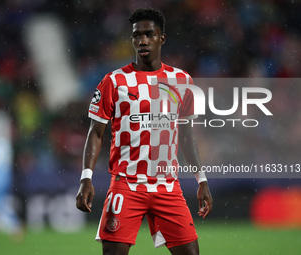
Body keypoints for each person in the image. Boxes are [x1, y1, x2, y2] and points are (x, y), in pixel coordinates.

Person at [76, 8, 213, 255]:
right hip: (126, 186)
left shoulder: (181, 81)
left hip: (167, 187)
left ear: (162, 38)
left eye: (149, 34)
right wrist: (86, 176)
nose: (142, 41)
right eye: (137, 35)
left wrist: (201, 179)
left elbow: (186, 135)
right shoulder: (114, 81)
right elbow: (96, 132)